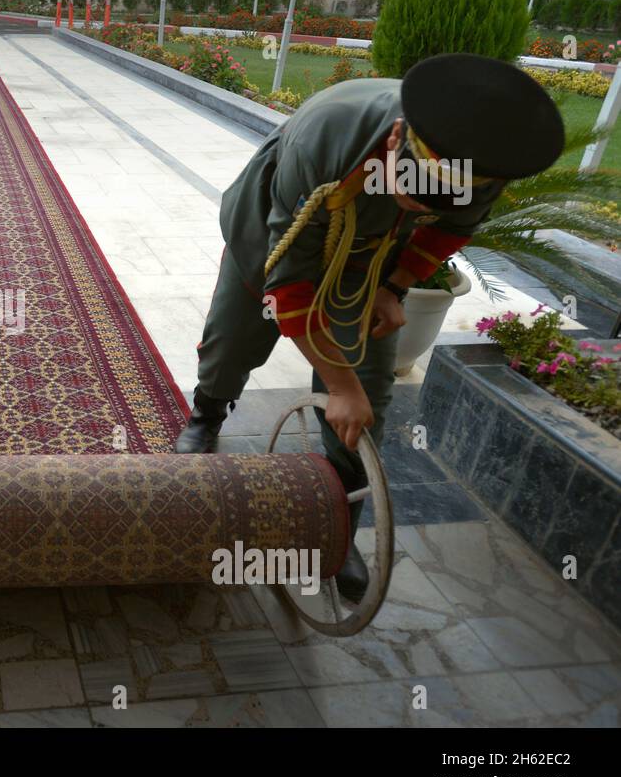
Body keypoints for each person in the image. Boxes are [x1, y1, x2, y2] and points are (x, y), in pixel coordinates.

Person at [173, 53, 565, 601]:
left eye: (430, 200)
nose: (414, 202)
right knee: (234, 337)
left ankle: (340, 528)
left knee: (369, 399)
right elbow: (289, 286)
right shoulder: (327, 135)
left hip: (374, 256)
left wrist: (393, 287)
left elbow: (448, 232)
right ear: (398, 137)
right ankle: (206, 412)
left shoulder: (487, 160)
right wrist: (338, 385)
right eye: (409, 186)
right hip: (272, 234)